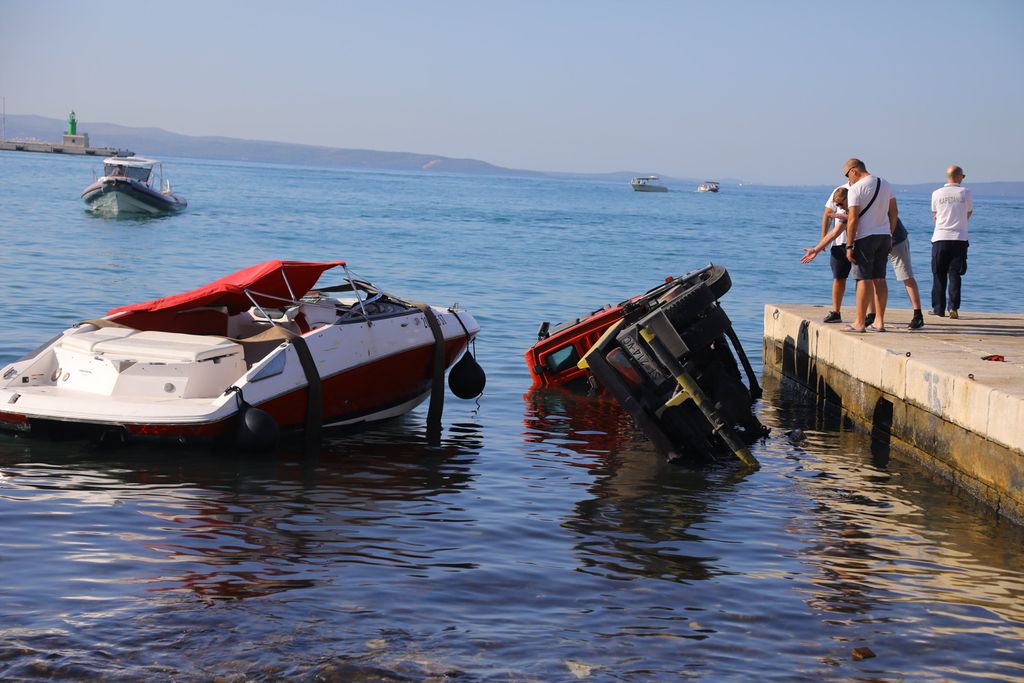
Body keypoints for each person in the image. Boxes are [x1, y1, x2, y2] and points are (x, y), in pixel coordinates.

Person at [842, 158, 897, 332]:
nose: (848, 180)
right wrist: (890, 234)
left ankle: (859, 322)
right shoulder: (885, 183)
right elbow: (894, 212)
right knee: (880, 278)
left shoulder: (856, 188)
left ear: (853, 171)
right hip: (883, 236)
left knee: (862, 279)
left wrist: (849, 246)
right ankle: (879, 322)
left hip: (865, 237)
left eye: (847, 175)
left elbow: (852, 219)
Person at [801, 184, 850, 323]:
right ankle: (836, 312)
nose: (839, 207)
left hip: (859, 245)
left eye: (840, 204)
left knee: (864, 279)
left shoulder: (857, 201)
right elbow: (834, 229)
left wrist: (838, 215)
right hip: (839, 245)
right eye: (837, 204)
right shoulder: (841, 200)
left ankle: (869, 315)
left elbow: (851, 216)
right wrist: (817, 247)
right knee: (838, 277)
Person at [930, 165, 973, 319]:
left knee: (938, 274)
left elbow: (935, 214)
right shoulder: (965, 193)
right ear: (959, 176)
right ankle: (953, 308)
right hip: (959, 239)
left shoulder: (936, 193)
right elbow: (968, 212)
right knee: (955, 274)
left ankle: (938, 308)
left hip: (940, 237)